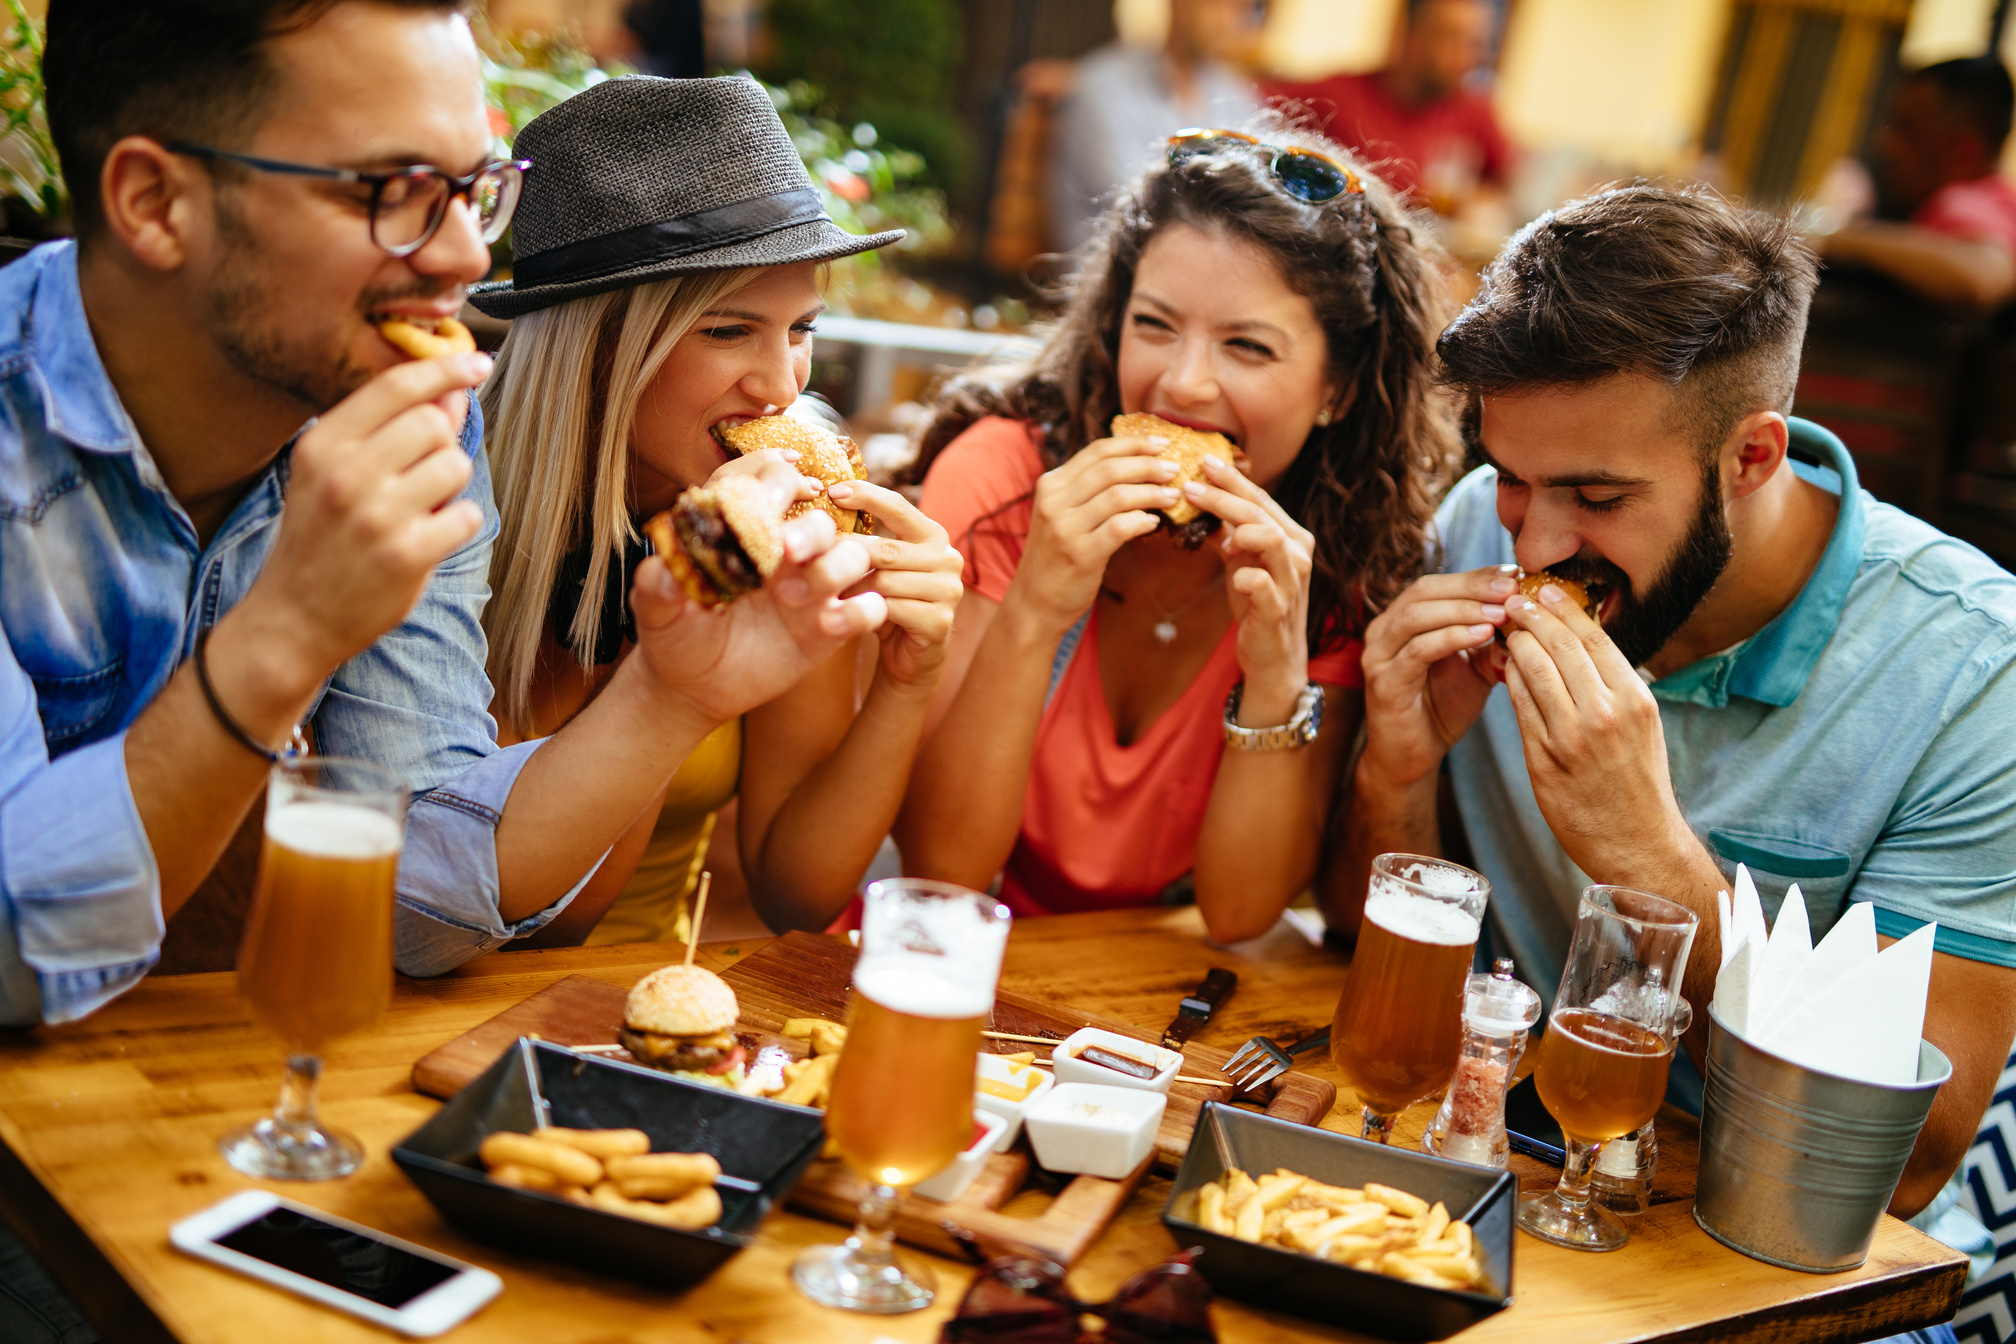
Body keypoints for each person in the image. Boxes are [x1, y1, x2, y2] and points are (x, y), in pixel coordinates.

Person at [0, 0, 887, 1031]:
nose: (467, 257)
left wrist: (668, 696)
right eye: (401, 192)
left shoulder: (418, 418)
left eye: (475, 192)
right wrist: (287, 632)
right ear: (155, 202)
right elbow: (14, 963)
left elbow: (417, 905)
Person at [1328, 183, 2016, 1229]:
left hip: (1773, 1241)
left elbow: (1902, 1169)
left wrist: (1644, 852)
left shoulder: (1977, 674)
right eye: (1513, 476)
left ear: (1751, 458)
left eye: (1598, 499)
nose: (1534, 545)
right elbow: (1350, 933)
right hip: (1498, 1166)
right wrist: (1399, 770)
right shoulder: (1474, 527)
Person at [900, 121, 1458, 933]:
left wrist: (1274, 678)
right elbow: (941, 871)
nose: (1182, 385)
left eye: (1247, 346)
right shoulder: (1004, 484)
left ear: (1337, 386)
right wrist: (1037, 607)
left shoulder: (1342, 559)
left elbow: (1237, 913)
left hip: (1142, 1000)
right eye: (1155, 325)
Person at [471, 75, 962, 941]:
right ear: (594, 346)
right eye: (729, 330)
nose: (783, 389)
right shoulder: (448, 507)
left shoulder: (780, 521)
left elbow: (797, 893)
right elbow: (521, 919)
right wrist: (669, 652)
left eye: (801, 329)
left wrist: (904, 680)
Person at [1046, 0, 1265, 252]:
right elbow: (1142, 203)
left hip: (1200, 259)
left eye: (1247, 6)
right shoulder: (1104, 85)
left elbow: (1259, 193)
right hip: (1115, 266)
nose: (1234, 18)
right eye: (1221, 4)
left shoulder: (1237, 96)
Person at [1262, 0, 1511, 215]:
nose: (1468, 57)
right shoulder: (1339, 95)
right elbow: (1249, 102)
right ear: (1410, 35)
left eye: (1476, 44)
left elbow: (1512, 185)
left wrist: (1470, 201)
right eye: (1451, 38)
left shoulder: (1474, 108)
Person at [1822, 56, 2016, 311]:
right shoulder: (1997, 201)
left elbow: (1985, 274)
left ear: (1963, 152)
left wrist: (1827, 242)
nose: (1885, 144)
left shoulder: (1964, 202)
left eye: (1906, 129)